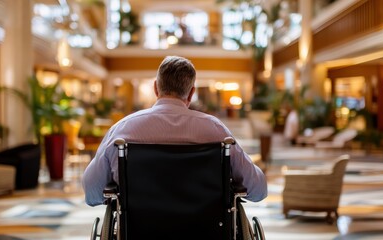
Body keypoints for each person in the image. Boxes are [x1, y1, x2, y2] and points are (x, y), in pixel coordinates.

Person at [82, 56, 267, 206]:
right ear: (191, 92)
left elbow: (92, 192)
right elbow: (258, 190)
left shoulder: (123, 130)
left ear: (156, 87)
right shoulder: (216, 131)